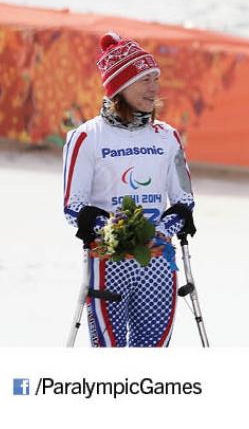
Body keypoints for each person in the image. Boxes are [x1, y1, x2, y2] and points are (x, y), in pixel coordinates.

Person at [62, 32, 196, 347]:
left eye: (156, 78)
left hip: (157, 263)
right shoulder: (86, 137)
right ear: (120, 86)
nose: (154, 87)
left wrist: (162, 230)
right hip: (109, 261)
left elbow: (184, 201)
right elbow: (73, 207)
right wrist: (117, 232)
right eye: (144, 79)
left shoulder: (168, 137)